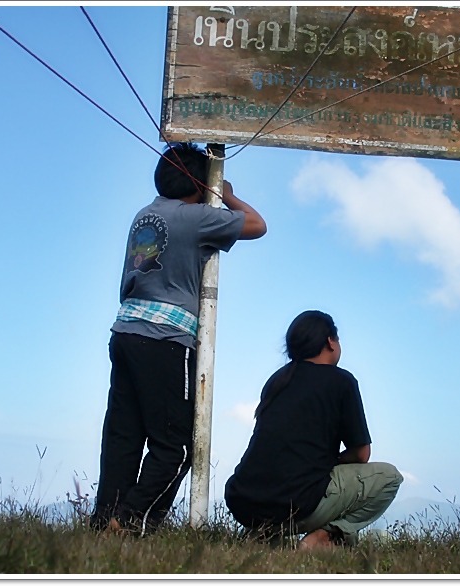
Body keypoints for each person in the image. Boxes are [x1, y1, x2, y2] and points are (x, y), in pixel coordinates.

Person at [92, 143, 266, 535]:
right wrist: (225, 194)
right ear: (198, 184)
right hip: (166, 338)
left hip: (126, 330)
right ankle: (131, 520)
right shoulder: (195, 218)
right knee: (178, 445)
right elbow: (257, 225)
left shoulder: (145, 214)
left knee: (124, 437)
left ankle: (104, 520)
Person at [224, 310, 403, 550]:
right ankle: (327, 537)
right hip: (298, 504)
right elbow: (361, 454)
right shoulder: (341, 381)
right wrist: (329, 462)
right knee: (390, 477)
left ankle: (263, 536)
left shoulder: (277, 381)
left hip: (243, 501)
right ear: (331, 342)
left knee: (293, 484)